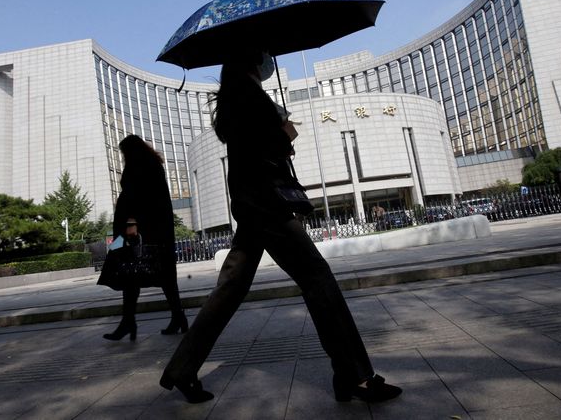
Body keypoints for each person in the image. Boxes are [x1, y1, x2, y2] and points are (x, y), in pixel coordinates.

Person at [159, 54, 402, 404]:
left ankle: (182, 369)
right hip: (267, 205)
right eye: (261, 55)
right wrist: (285, 132)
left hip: (251, 203)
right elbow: (270, 148)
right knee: (318, 278)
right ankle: (355, 376)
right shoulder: (252, 97)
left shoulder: (233, 98)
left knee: (229, 289)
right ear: (253, 62)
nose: (264, 61)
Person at [102, 135, 187, 341]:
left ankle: (129, 322)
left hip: (135, 232)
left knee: (127, 273)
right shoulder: (153, 165)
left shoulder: (138, 167)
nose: (122, 157)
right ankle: (176, 317)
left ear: (130, 151)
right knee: (160, 274)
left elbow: (135, 198)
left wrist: (131, 224)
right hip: (155, 232)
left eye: (123, 153)